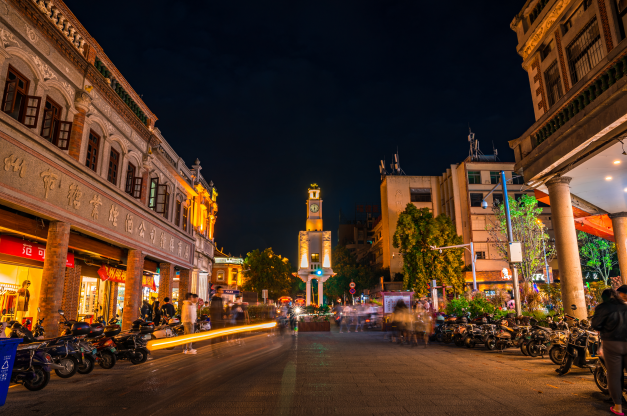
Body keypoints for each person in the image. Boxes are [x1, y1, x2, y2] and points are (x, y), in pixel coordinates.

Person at [591, 286, 627, 415]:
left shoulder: (603, 307)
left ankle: (618, 407)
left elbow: (595, 324)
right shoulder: (625, 306)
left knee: (614, 375)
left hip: (612, 343)